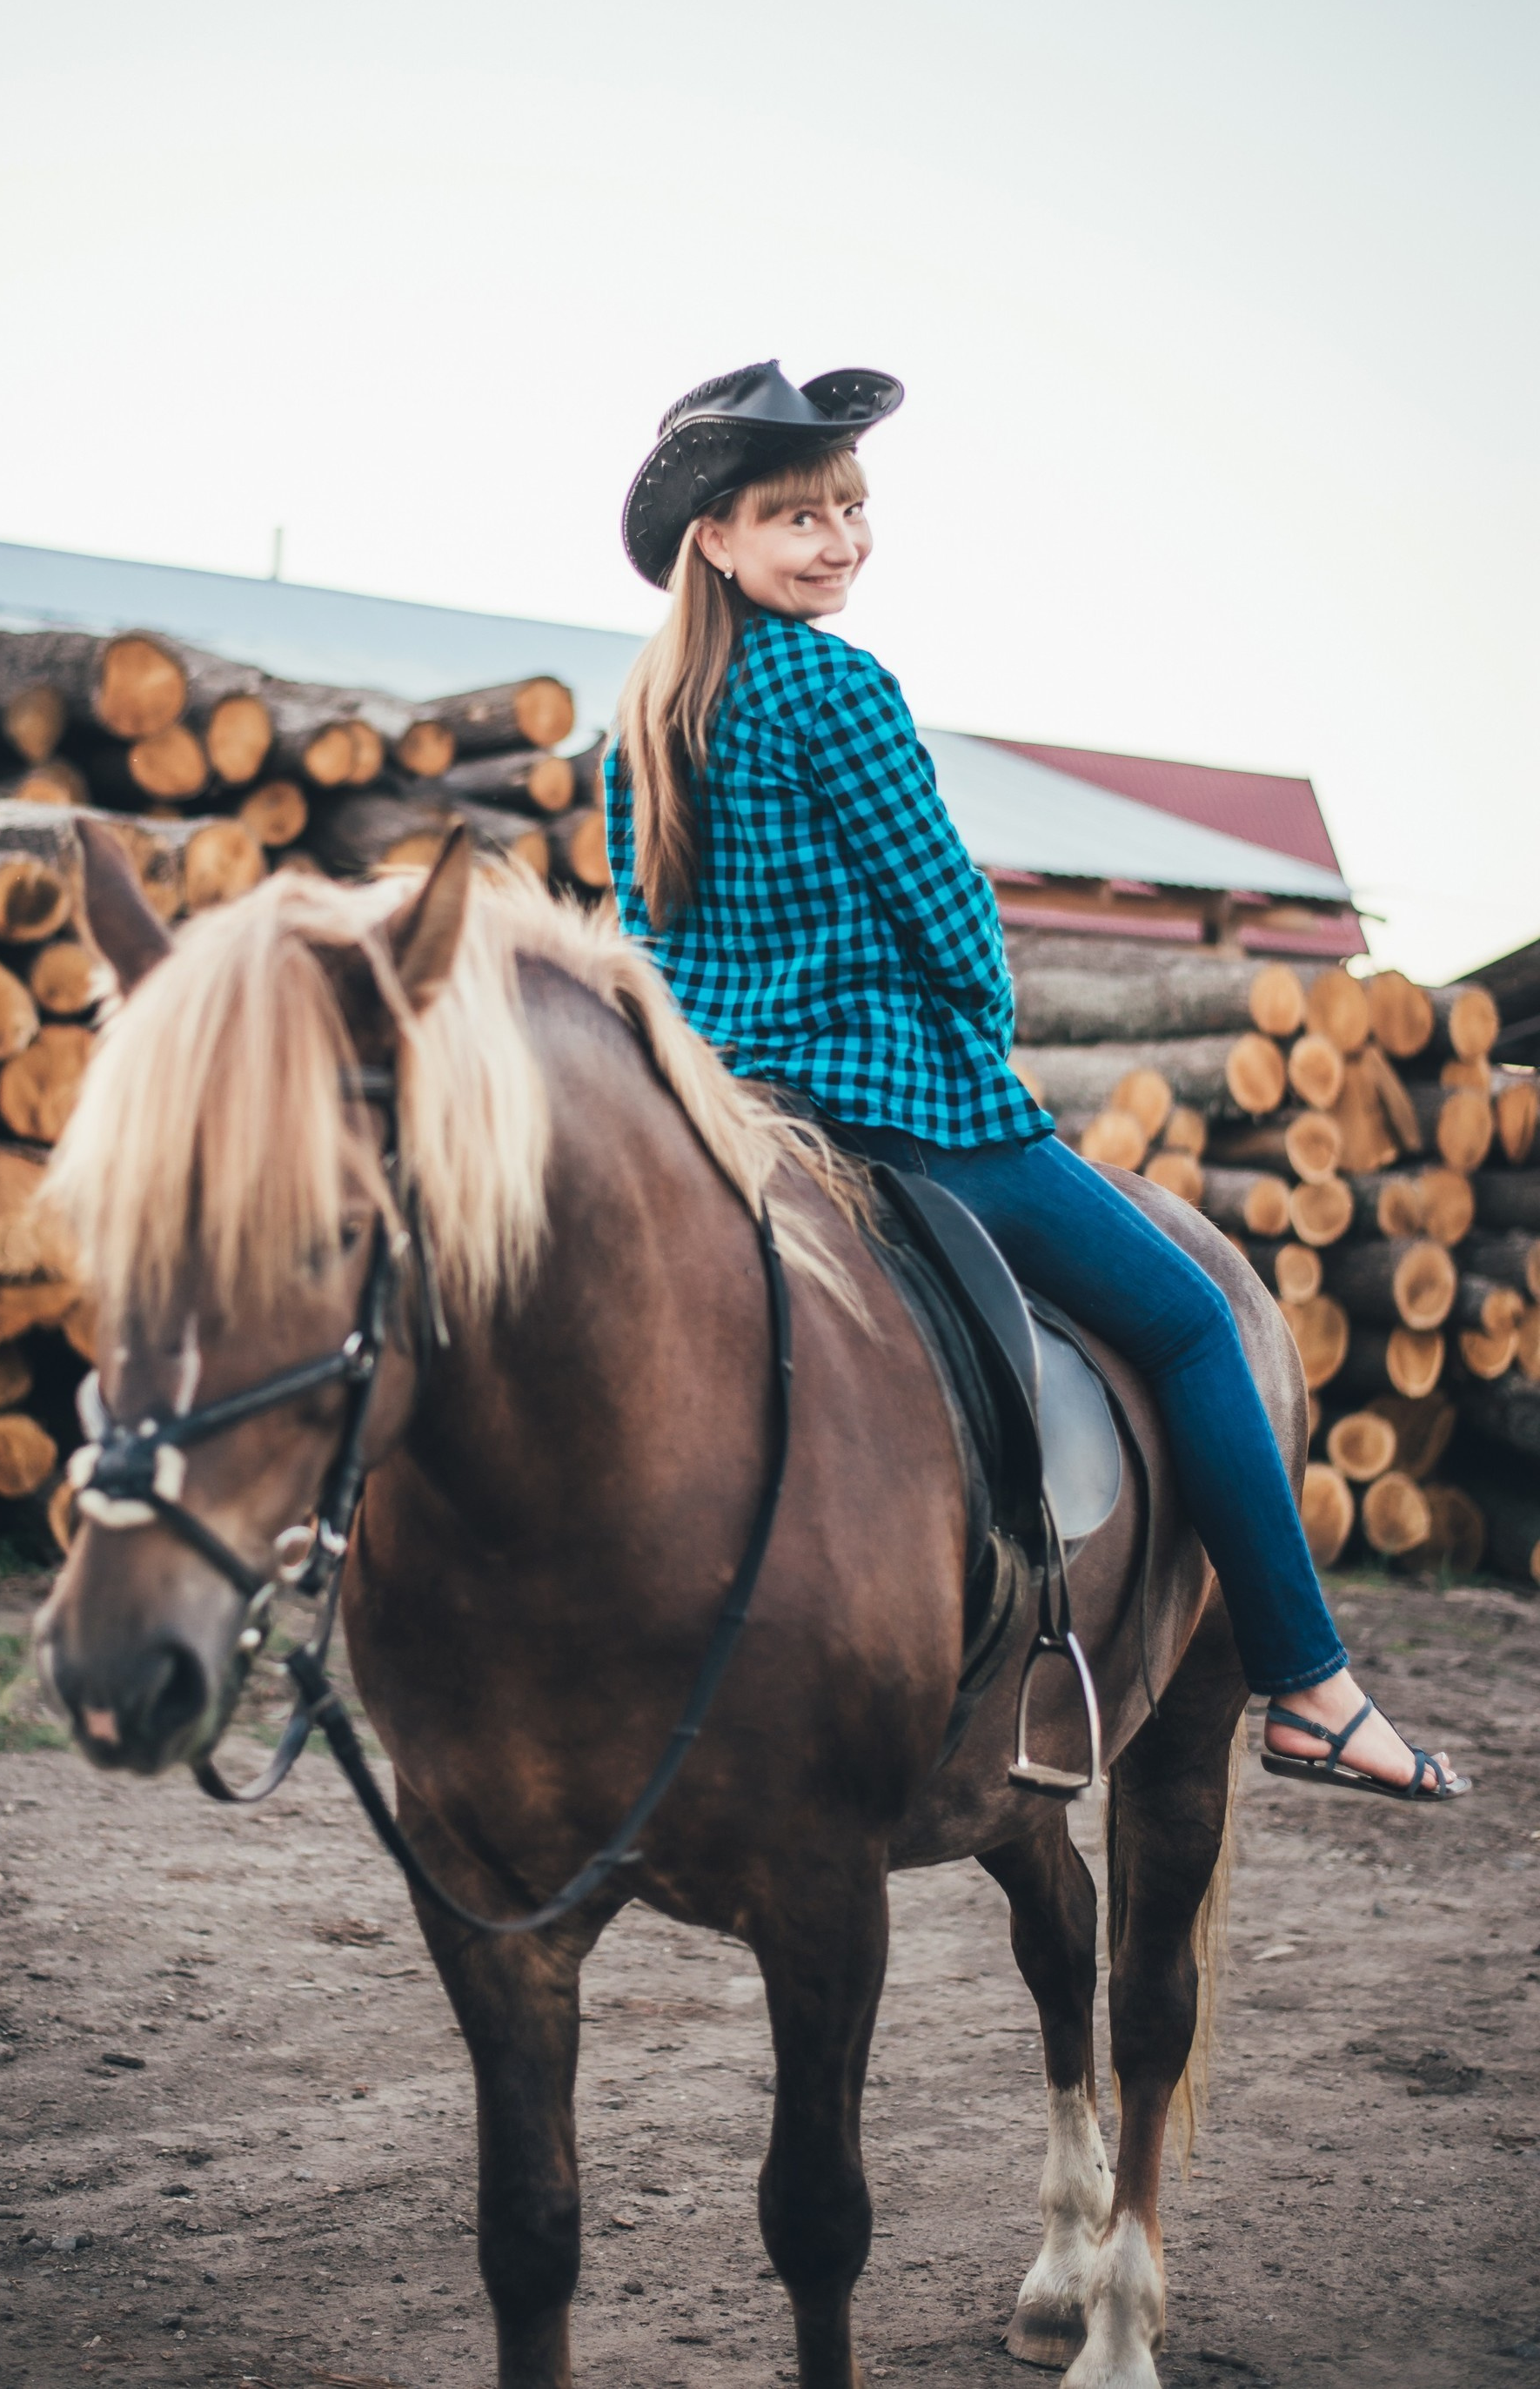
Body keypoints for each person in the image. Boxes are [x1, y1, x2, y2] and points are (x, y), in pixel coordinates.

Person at [605, 359, 1464, 1802]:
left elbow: (648, 946)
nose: (840, 541)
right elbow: (950, 916)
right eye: (799, 518)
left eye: (851, 510)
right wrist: (980, 1019)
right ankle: (1310, 1683)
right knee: (1194, 1323)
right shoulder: (835, 686)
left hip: (738, 1123)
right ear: (718, 537)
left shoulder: (642, 724)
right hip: (907, 1113)